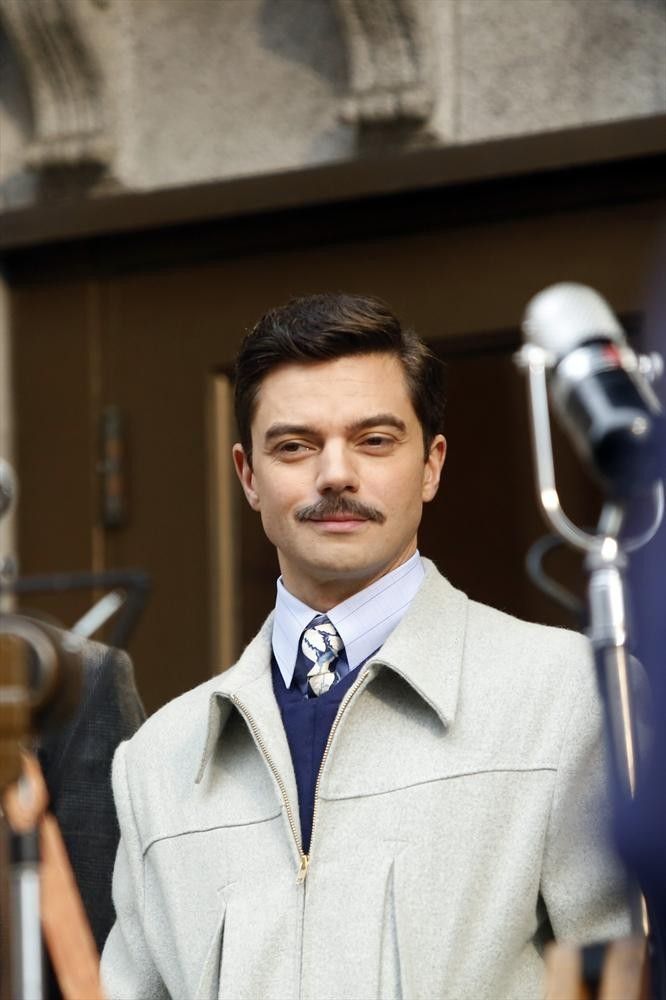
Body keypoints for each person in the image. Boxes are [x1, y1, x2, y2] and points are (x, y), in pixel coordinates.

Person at [101, 293, 630, 999]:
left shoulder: (568, 697)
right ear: (248, 476)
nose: (335, 474)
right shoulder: (157, 764)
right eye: (295, 446)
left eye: (375, 440)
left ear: (432, 464)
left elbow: (626, 978)